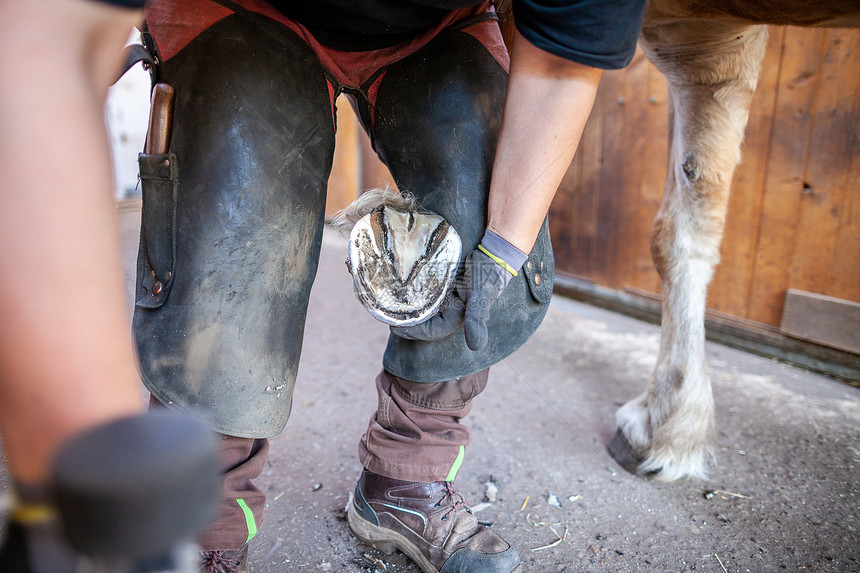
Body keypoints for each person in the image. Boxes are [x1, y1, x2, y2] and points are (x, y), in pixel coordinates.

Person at [0, 0, 646, 571]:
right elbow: (43, 48)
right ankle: (206, 518)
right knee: (232, 232)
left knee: (479, 212)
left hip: (435, 22)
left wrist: (501, 252)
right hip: (243, 7)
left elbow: (562, 66)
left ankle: (405, 480)